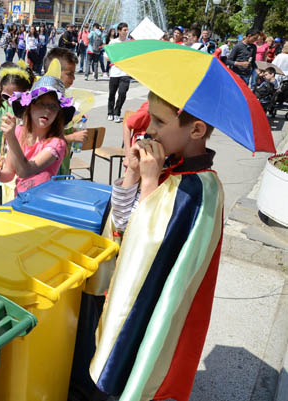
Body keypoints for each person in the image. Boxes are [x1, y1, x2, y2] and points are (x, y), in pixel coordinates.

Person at [88, 88, 224, 401]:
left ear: (196, 129)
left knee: (144, 371)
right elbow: (122, 226)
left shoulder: (200, 187)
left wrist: (149, 183)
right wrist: (133, 175)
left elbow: (148, 250)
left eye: (160, 122)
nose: (150, 130)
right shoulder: (168, 166)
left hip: (155, 306)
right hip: (135, 298)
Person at [0, 59, 71, 195]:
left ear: (59, 113)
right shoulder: (18, 132)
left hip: (43, 203)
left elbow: (25, 171)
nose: (47, 111)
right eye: (41, 104)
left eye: (53, 106)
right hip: (21, 199)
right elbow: (9, 173)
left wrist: (10, 137)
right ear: (29, 107)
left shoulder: (57, 143)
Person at [0, 61, 34, 204]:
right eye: (6, 97)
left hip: (25, 171)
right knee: (4, 199)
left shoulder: (31, 114)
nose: (11, 102)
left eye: (15, 97)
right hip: (4, 161)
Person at [42, 48, 89, 176]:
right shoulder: (43, 102)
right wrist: (71, 138)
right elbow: (41, 139)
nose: (73, 78)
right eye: (69, 73)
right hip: (46, 171)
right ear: (55, 71)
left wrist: (73, 124)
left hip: (61, 166)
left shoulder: (63, 98)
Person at [105, 23, 131, 124]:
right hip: (115, 72)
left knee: (122, 93)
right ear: (119, 31)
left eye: (127, 30)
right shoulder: (113, 42)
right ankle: (110, 112)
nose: (126, 32)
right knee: (112, 93)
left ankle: (117, 112)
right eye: (124, 30)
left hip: (125, 73)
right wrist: (113, 58)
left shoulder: (129, 42)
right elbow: (106, 55)